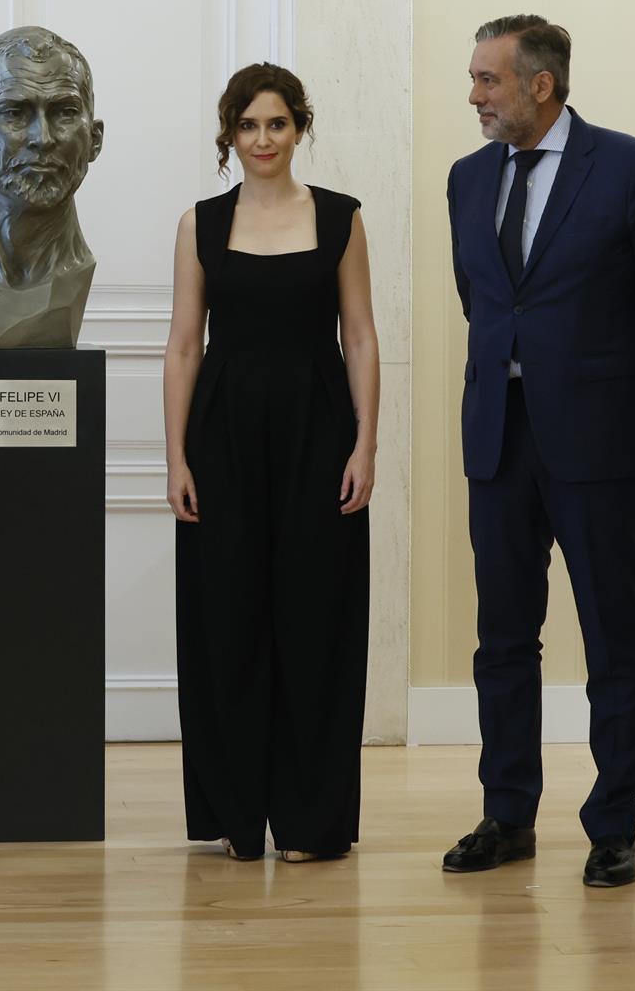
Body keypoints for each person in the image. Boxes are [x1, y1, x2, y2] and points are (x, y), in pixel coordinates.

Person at [441, 15, 635, 888]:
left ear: (540, 85)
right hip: (497, 437)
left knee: (612, 636)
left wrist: (630, 413)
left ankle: (613, 823)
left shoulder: (628, 166)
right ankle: (506, 814)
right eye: (475, 78)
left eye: (488, 80)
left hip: (599, 445)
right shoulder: (468, 178)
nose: (474, 95)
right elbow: (483, 301)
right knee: (502, 638)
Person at [162, 64, 377, 862]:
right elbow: (184, 346)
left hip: (319, 433)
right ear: (230, 133)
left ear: (299, 129)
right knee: (226, 621)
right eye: (249, 125)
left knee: (316, 620)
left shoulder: (342, 217)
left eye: (277, 124)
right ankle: (235, 813)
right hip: (221, 437)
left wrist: (365, 443)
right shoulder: (200, 223)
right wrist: (176, 457)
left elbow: (360, 335)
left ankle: (312, 821)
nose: (263, 139)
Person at [0, 25, 103, 347]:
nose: (42, 138)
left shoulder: (78, 270)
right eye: (14, 113)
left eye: (65, 113)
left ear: (94, 139)